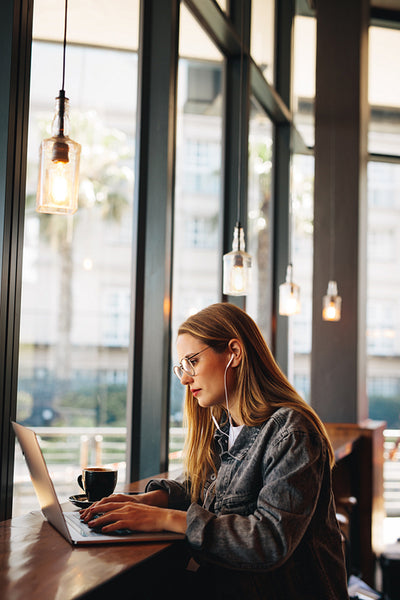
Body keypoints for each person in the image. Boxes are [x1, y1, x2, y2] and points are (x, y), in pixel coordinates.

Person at [80, 302, 349, 599]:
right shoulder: (225, 425)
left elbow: (269, 540)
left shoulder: (291, 430)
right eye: (181, 367)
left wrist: (160, 518)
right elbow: (209, 488)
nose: (184, 378)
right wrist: (152, 499)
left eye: (192, 362)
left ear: (234, 353)